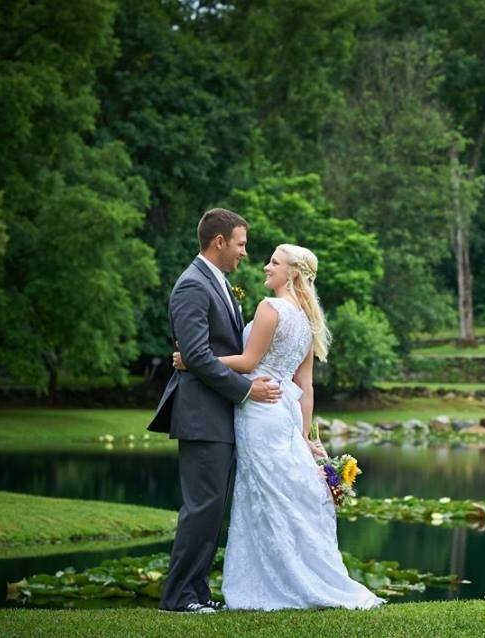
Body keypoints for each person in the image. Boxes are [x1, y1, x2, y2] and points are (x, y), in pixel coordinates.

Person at [173, 243, 384, 611]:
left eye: (275, 262)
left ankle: (271, 584)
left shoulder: (270, 309)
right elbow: (306, 387)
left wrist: (192, 360)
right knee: (281, 492)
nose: (266, 266)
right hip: (283, 413)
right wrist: (304, 435)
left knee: (265, 495)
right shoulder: (307, 319)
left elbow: (249, 360)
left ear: (293, 273)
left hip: (259, 410)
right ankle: (289, 577)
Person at [148, 208, 282, 614]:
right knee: (202, 508)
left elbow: (212, 353)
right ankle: (178, 598)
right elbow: (197, 357)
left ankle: (199, 593)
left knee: (212, 509)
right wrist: (246, 390)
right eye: (240, 243)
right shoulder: (192, 285)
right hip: (201, 416)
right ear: (219, 241)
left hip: (217, 415)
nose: (245, 252)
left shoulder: (218, 282)